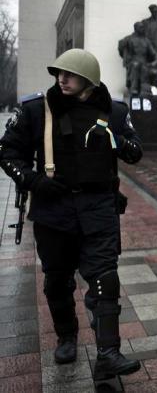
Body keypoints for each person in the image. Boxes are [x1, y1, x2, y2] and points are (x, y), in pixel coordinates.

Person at [0, 49, 143, 380]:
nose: (61, 79)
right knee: (56, 283)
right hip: (54, 211)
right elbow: (7, 150)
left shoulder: (114, 111)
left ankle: (108, 353)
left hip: (99, 208)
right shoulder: (36, 110)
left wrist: (116, 140)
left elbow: (136, 152)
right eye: (58, 73)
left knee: (105, 278)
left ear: (89, 80)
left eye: (70, 74)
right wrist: (33, 179)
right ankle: (67, 335)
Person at [118, 22, 157, 95]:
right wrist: (125, 57)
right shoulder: (129, 39)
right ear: (136, 28)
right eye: (141, 27)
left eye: (143, 27)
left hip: (144, 63)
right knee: (136, 65)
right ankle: (134, 88)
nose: (143, 29)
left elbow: (154, 55)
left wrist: (153, 63)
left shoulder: (146, 41)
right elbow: (121, 46)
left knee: (151, 70)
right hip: (133, 62)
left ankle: (145, 89)